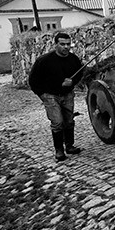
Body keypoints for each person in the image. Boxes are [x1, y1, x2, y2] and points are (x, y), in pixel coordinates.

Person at [28, 32, 84, 162]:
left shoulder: (73, 59)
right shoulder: (44, 61)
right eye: (62, 44)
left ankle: (69, 146)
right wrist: (42, 95)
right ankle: (59, 150)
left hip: (67, 95)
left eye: (68, 44)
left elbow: (80, 72)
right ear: (55, 45)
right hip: (50, 95)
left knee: (69, 120)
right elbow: (33, 80)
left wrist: (73, 82)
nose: (66, 47)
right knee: (57, 122)